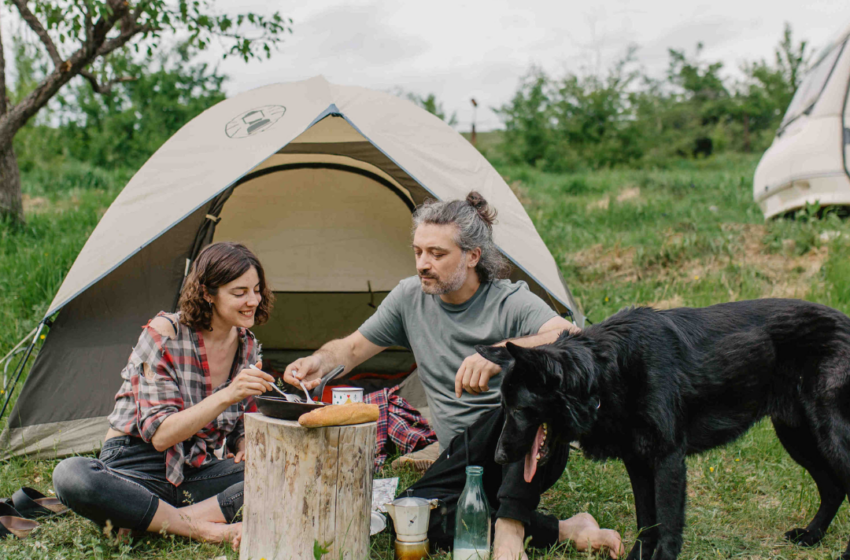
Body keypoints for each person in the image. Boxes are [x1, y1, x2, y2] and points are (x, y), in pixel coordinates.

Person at [285, 193, 623, 559]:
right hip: (463, 455)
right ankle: (564, 529)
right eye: (418, 252)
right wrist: (317, 362)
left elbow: (574, 339)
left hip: (524, 447)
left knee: (534, 389)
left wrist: (502, 352)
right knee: (415, 519)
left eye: (437, 253)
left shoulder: (510, 301)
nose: (423, 264)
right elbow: (350, 349)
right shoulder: (408, 299)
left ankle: (509, 534)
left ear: (473, 255)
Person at [52, 242, 277, 547]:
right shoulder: (166, 333)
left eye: (256, 289)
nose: (253, 300)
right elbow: (160, 435)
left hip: (195, 471)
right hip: (135, 466)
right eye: (239, 293)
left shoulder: (248, 346)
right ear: (208, 294)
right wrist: (228, 394)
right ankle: (204, 528)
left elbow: (240, 423)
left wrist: (244, 443)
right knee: (71, 474)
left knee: (278, 469)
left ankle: (153, 521)